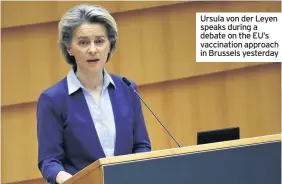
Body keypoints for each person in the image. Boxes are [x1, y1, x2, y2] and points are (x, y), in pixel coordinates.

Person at [36, 4, 151, 184]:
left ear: (109, 44)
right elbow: (49, 160)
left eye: (99, 41)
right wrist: (69, 180)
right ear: (69, 48)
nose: (92, 49)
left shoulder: (128, 88)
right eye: (83, 42)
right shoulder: (52, 99)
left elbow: (141, 145)